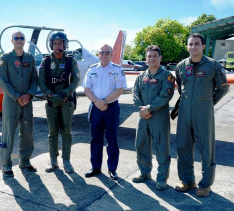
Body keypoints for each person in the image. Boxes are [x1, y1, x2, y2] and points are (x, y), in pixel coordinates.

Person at [175, 33, 229, 197]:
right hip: (184, 111)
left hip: (204, 111)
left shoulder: (213, 65)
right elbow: (180, 85)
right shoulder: (181, 66)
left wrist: (208, 102)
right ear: (187, 46)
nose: (193, 47)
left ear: (203, 46)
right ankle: (187, 181)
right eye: (190, 44)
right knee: (183, 146)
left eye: (197, 44)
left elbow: (223, 87)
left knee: (206, 147)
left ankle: (205, 184)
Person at [132, 45, 175, 190]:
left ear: (160, 58)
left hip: (159, 117)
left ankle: (162, 178)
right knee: (141, 145)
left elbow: (166, 95)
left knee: (161, 147)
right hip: (143, 117)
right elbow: (135, 93)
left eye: (155, 56)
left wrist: (149, 108)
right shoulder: (141, 76)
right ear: (145, 59)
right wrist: (142, 109)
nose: (152, 58)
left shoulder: (167, 76)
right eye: (149, 56)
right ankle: (145, 173)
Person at [83, 44, 127, 180]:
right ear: (98, 54)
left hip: (111, 108)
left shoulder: (117, 69)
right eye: (102, 52)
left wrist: (104, 101)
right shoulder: (92, 69)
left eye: (107, 53)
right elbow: (86, 89)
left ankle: (112, 169)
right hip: (96, 108)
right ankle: (95, 167)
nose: (104, 55)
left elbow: (120, 90)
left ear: (111, 54)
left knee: (112, 140)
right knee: (95, 139)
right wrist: (97, 102)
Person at [0, 31, 38, 177]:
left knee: (27, 133)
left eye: (21, 38)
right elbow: (3, 81)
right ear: (12, 40)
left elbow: (35, 79)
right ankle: (6, 164)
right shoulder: (5, 59)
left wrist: (29, 95)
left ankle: (25, 161)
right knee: (8, 133)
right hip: (11, 101)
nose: (19, 40)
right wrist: (16, 96)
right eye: (17, 38)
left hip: (27, 101)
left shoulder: (30, 58)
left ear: (25, 40)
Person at [38, 32, 80, 174]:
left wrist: (63, 94)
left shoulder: (70, 61)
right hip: (51, 102)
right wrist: (50, 95)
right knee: (52, 132)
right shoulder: (46, 62)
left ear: (65, 44)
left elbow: (76, 81)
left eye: (60, 43)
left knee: (66, 132)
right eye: (55, 43)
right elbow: (41, 81)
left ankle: (66, 161)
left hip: (66, 101)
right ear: (51, 45)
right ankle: (53, 160)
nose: (57, 46)